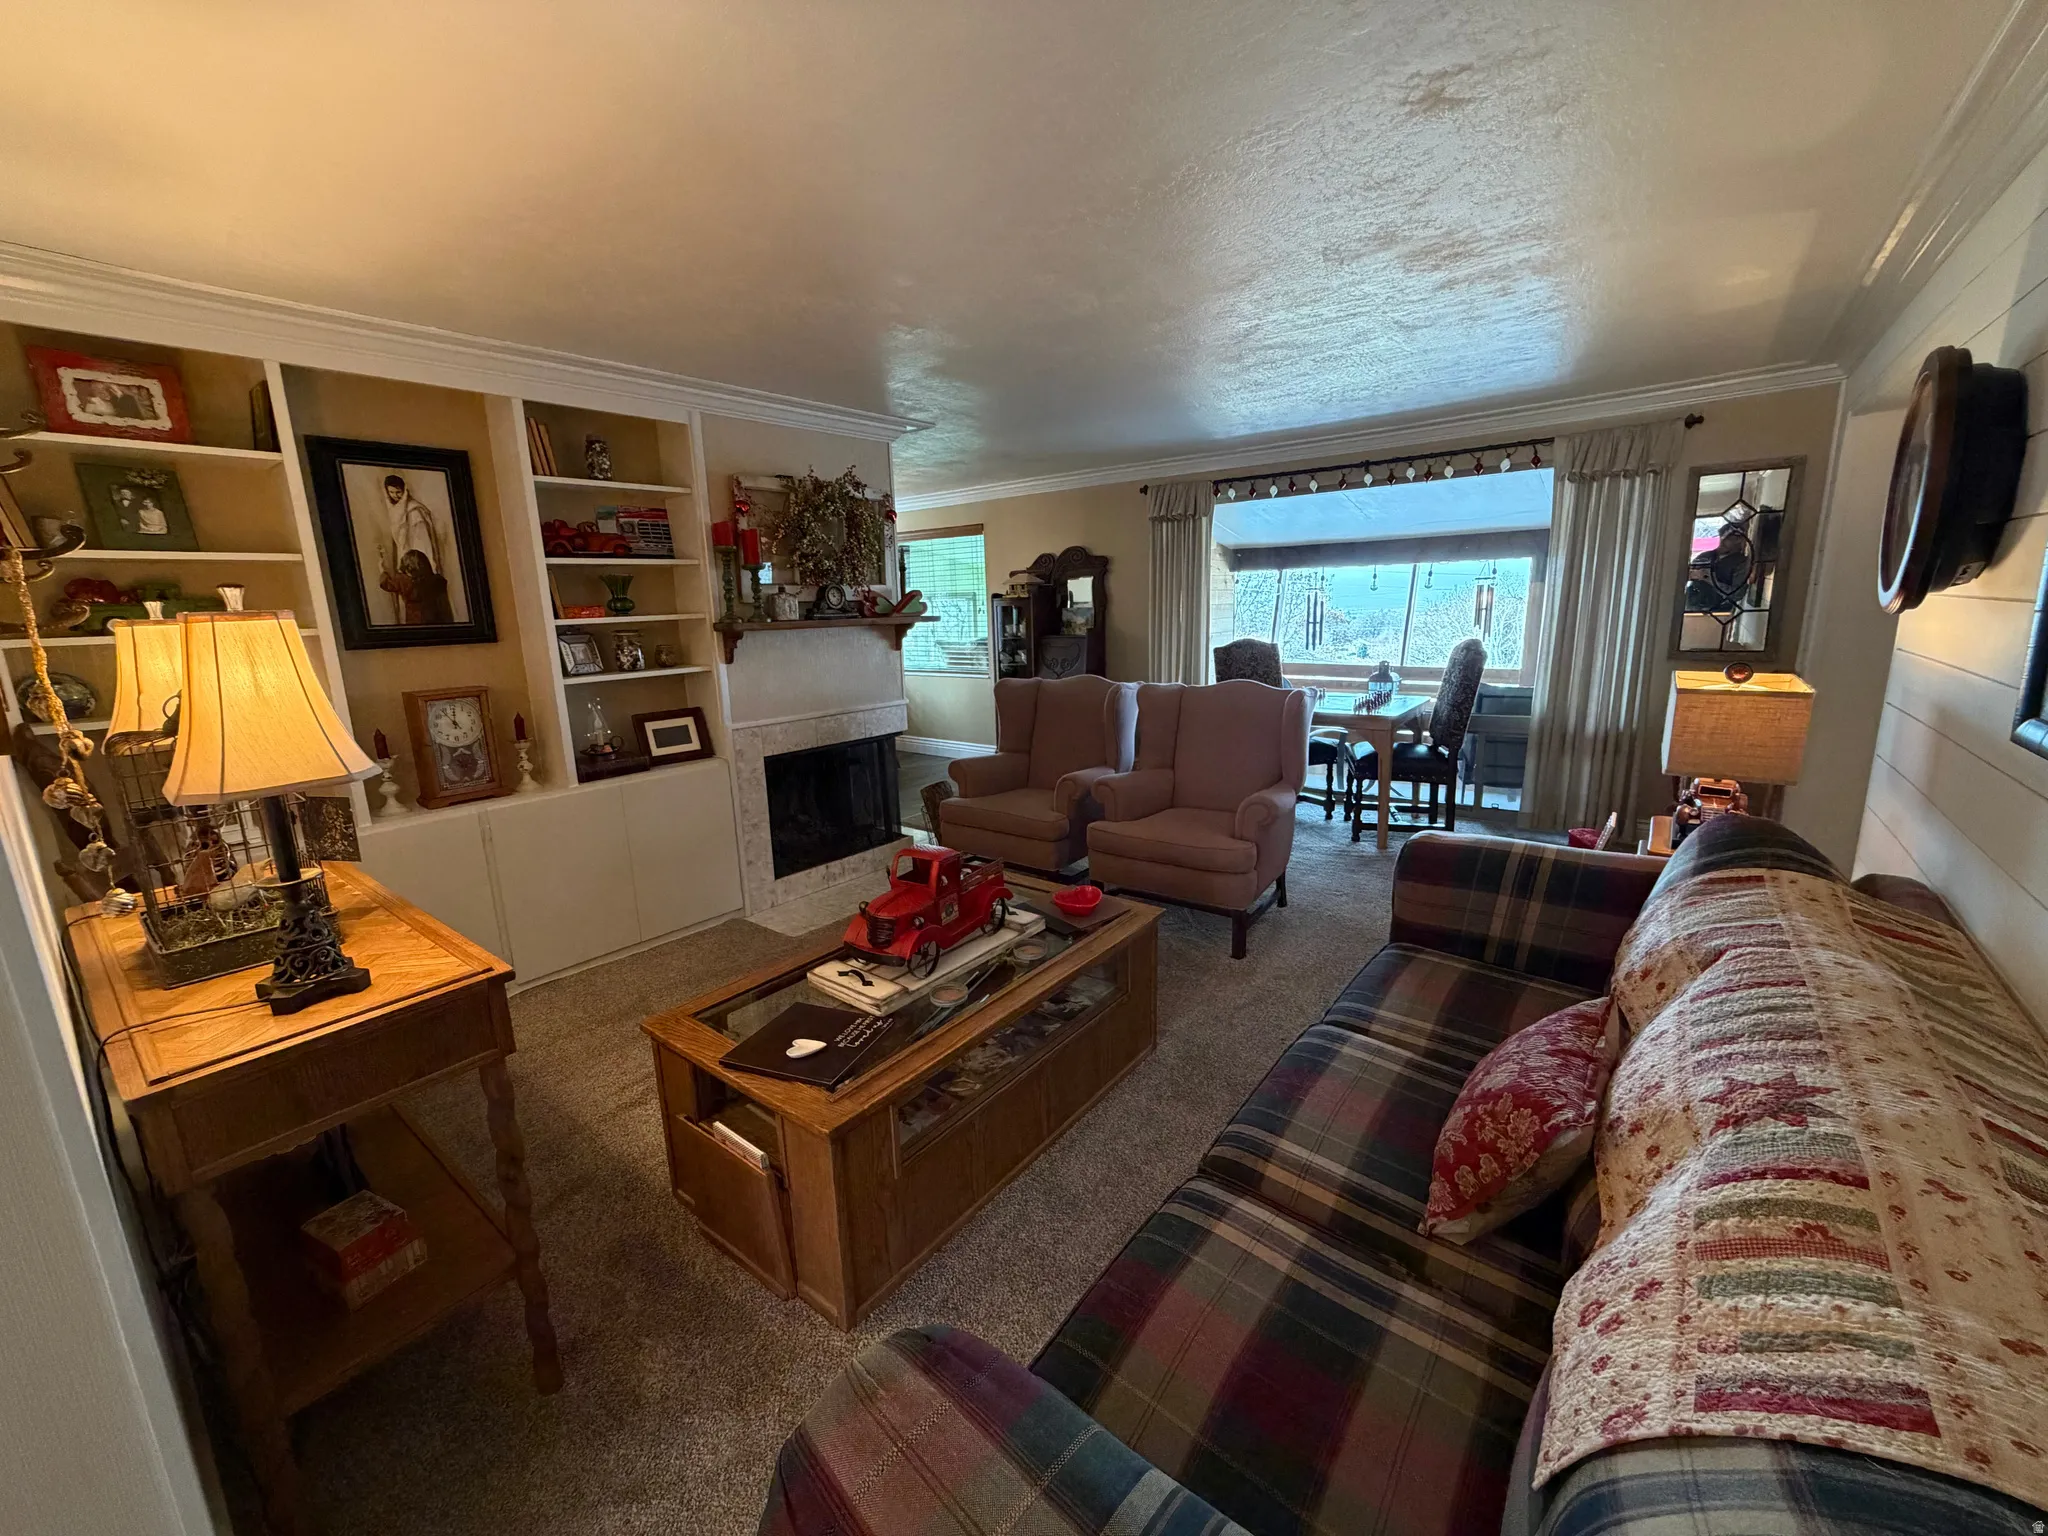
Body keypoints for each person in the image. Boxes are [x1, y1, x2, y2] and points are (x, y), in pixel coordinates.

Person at [375, 473, 452, 624]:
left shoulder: (414, 512)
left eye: (398, 492)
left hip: (417, 565)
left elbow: (423, 544)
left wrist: (417, 567)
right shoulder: (395, 509)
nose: (395, 496)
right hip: (408, 563)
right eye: (391, 492)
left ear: (404, 490)